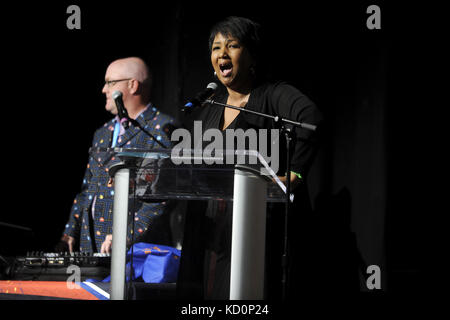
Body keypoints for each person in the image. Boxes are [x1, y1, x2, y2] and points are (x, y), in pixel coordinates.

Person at [180, 17, 323, 299]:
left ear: (252, 54)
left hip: (259, 226)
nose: (222, 53)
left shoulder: (272, 95)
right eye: (216, 47)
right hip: (215, 231)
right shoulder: (211, 105)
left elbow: (311, 120)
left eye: (232, 45)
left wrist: (295, 173)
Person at [58, 57, 176, 254]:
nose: (104, 89)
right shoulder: (102, 133)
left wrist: (126, 234)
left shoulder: (161, 129)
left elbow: (162, 197)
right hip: (93, 247)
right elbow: (88, 188)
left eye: (110, 82)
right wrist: (70, 231)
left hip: (136, 253)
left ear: (132, 85)